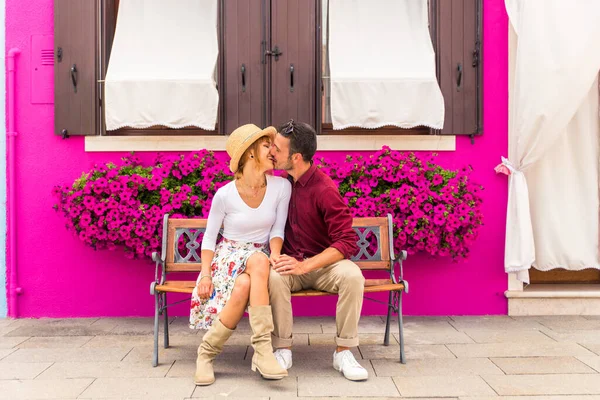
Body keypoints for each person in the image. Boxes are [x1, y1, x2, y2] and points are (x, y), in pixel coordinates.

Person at [267, 120, 369, 381]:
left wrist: (305, 266)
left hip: (323, 266)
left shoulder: (324, 189)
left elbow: (347, 241)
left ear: (296, 157)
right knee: (275, 277)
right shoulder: (280, 184)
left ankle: (343, 352)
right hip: (292, 264)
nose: (272, 152)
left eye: (277, 149)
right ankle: (282, 349)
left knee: (353, 276)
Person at [190, 124, 291, 385]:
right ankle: (262, 351)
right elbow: (210, 238)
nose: (273, 151)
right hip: (230, 255)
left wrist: (276, 255)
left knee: (248, 280)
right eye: (266, 145)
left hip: (260, 259)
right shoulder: (224, 195)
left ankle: (206, 354)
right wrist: (204, 274)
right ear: (249, 153)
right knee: (256, 263)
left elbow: (277, 230)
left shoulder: (281, 187)